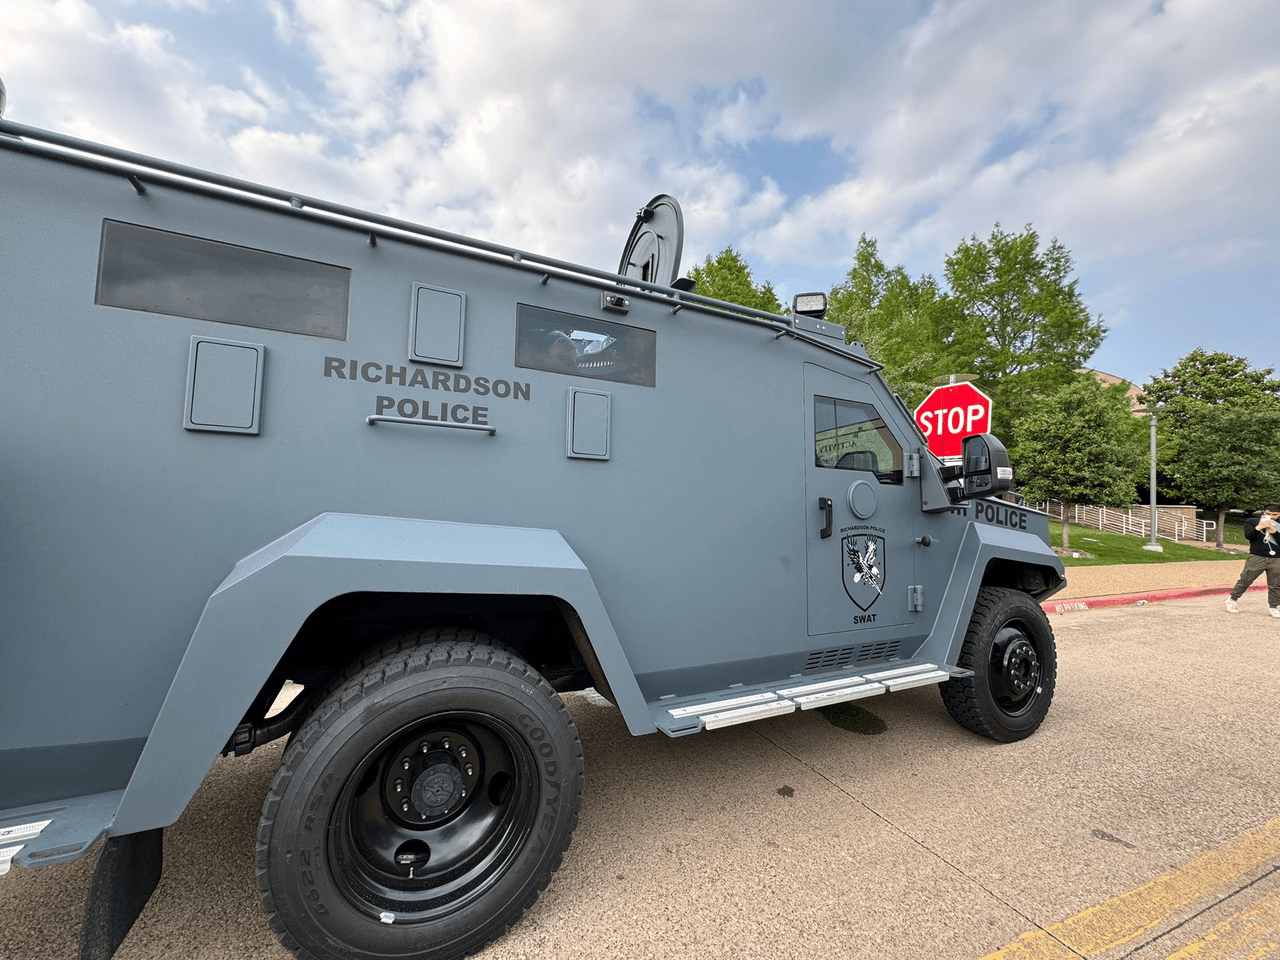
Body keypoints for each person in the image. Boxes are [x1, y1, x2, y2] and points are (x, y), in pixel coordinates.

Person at [1225, 503, 1280, 618]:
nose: (1271, 517)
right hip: (1256, 556)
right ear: (1263, 512)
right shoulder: (1252, 521)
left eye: (1274, 514)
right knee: (1245, 580)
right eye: (1268, 514)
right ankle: (1232, 600)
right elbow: (1249, 536)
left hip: (1277, 558)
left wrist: (1274, 531)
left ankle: (1274, 607)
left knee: (1275, 585)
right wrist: (1258, 528)